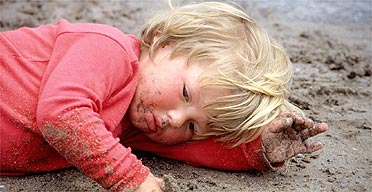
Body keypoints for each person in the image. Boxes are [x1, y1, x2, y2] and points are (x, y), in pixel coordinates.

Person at [0, 1, 328, 192]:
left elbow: (194, 151)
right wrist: (133, 180)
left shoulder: (142, 121)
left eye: (193, 126)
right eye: (185, 92)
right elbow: (63, 115)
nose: (176, 118)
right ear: (163, 41)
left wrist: (257, 149)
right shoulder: (108, 49)